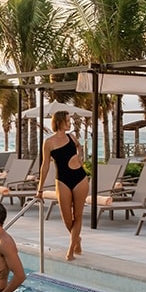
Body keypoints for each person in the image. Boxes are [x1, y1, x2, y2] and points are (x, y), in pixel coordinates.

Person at [38, 109, 89, 261]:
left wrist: (80, 156)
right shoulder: (49, 143)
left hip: (80, 178)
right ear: (59, 122)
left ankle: (71, 250)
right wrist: (40, 188)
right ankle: (77, 239)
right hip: (62, 181)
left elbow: (79, 146)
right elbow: (45, 165)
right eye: (68, 121)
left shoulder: (71, 137)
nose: (70, 123)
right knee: (67, 218)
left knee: (78, 215)